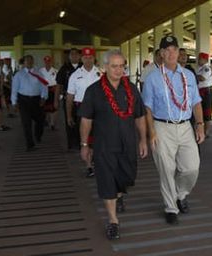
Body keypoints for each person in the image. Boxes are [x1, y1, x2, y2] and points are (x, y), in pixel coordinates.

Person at [79, 49, 147, 240]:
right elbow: (86, 120)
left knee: (126, 177)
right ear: (104, 67)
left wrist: (143, 139)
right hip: (104, 146)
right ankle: (113, 221)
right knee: (107, 181)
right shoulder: (93, 91)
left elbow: (140, 115)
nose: (119, 70)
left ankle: (119, 194)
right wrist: (85, 144)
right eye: (114, 66)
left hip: (127, 145)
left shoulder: (131, 89)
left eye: (121, 66)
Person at [142, 36, 205, 225]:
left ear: (179, 53)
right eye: (166, 50)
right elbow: (147, 108)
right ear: (161, 54)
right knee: (166, 169)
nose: (171, 53)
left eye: (174, 50)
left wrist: (200, 124)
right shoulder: (153, 77)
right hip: (162, 126)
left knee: (191, 167)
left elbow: (196, 102)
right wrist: (151, 132)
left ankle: (180, 194)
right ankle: (171, 207)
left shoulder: (189, 76)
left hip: (185, 126)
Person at [67, 47, 101, 177]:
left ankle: (97, 163)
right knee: (85, 138)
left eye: (90, 57)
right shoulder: (75, 75)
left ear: (94, 58)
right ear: (82, 59)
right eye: (85, 58)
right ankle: (89, 166)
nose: (88, 60)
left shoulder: (101, 74)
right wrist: (69, 115)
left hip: (98, 110)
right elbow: (70, 97)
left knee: (98, 138)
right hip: (81, 109)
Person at [11, 55, 48, 151]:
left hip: (36, 100)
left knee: (40, 120)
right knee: (26, 123)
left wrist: (44, 97)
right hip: (23, 100)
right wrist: (14, 102)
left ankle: (38, 136)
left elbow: (44, 86)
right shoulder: (18, 75)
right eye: (27, 61)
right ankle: (30, 144)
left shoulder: (38, 73)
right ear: (23, 63)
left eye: (31, 60)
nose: (29, 62)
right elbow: (14, 89)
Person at [56, 48, 82, 150]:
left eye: (76, 54)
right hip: (68, 99)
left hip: (81, 100)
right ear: (69, 56)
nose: (74, 56)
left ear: (79, 56)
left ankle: (81, 142)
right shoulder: (64, 68)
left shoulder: (83, 67)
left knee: (81, 121)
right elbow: (59, 85)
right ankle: (71, 144)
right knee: (70, 120)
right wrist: (56, 100)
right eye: (72, 54)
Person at [196, 52, 212, 137]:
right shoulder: (200, 68)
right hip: (201, 91)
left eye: (200, 59)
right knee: (201, 111)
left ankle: (207, 132)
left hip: (206, 92)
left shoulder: (206, 68)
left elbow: (202, 78)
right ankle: (202, 130)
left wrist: (193, 76)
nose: (198, 60)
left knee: (207, 112)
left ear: (205, 60)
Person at [40, 56, 59, 130]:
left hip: (53, 90)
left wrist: (59, 94)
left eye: (49, 61)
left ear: (51, 62)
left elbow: (58, 83)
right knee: (44, 107)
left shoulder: (56, 71)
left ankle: (52, 123)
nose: (47, 63)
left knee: (54, 107)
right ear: (44, 62)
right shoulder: (40, 71)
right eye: (46, 61)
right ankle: (46, 120)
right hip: (43, 90)